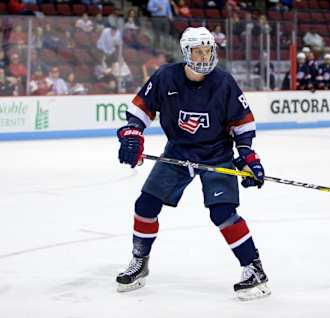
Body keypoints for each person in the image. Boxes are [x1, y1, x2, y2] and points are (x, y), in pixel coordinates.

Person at [115, 27, 271, 301]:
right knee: (145, 206)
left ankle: (254, 269)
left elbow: (242, 124)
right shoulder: (165, 77)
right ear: (186, 52)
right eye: (198, 50)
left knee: (222, 213)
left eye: (208, 49)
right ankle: (140, 262)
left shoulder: (223, 82)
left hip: (216, 154)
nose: (204, 55)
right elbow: (140, 110)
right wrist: (132, 133)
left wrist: (247, 157)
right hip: (178, 153)